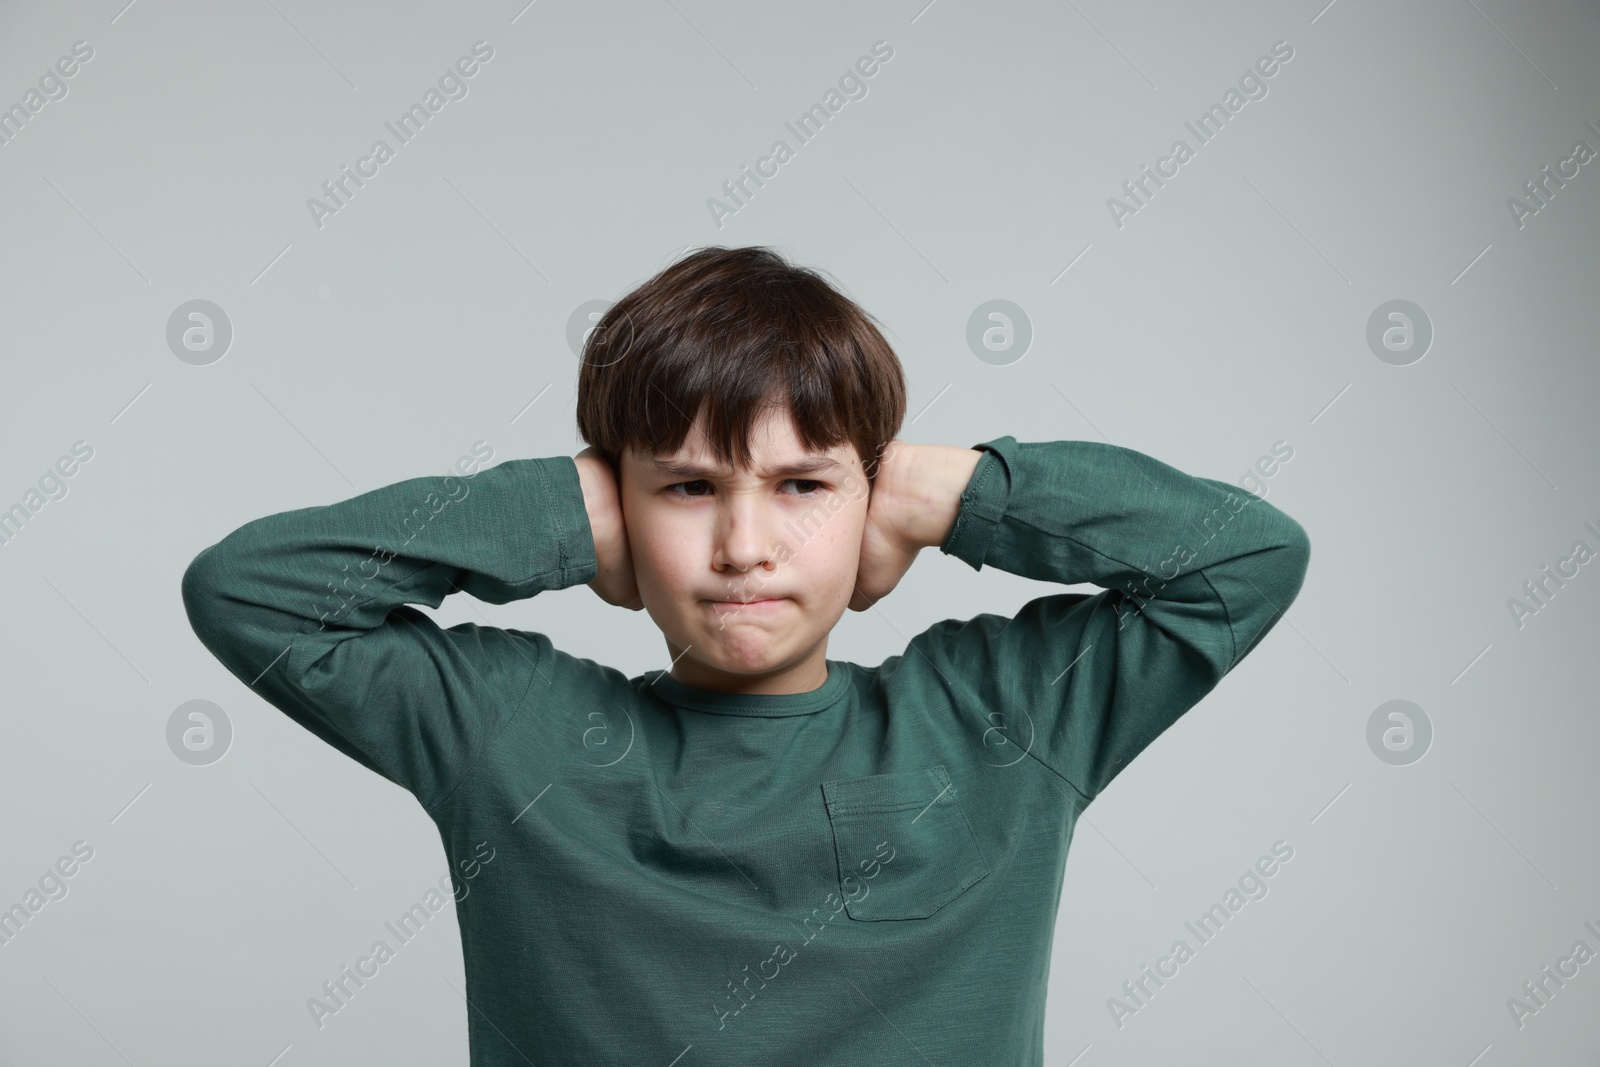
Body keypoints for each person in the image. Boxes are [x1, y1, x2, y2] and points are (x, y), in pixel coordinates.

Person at [181, 245, 1311, 1065]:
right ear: (619, 513)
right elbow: (251, 590)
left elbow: (1245, 556)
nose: (744, 545)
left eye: (804, 486)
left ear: (870, 499)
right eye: (687, 487)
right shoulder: (508, 734)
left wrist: (948, 489)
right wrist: (566, 508)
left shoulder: (1001, 720)